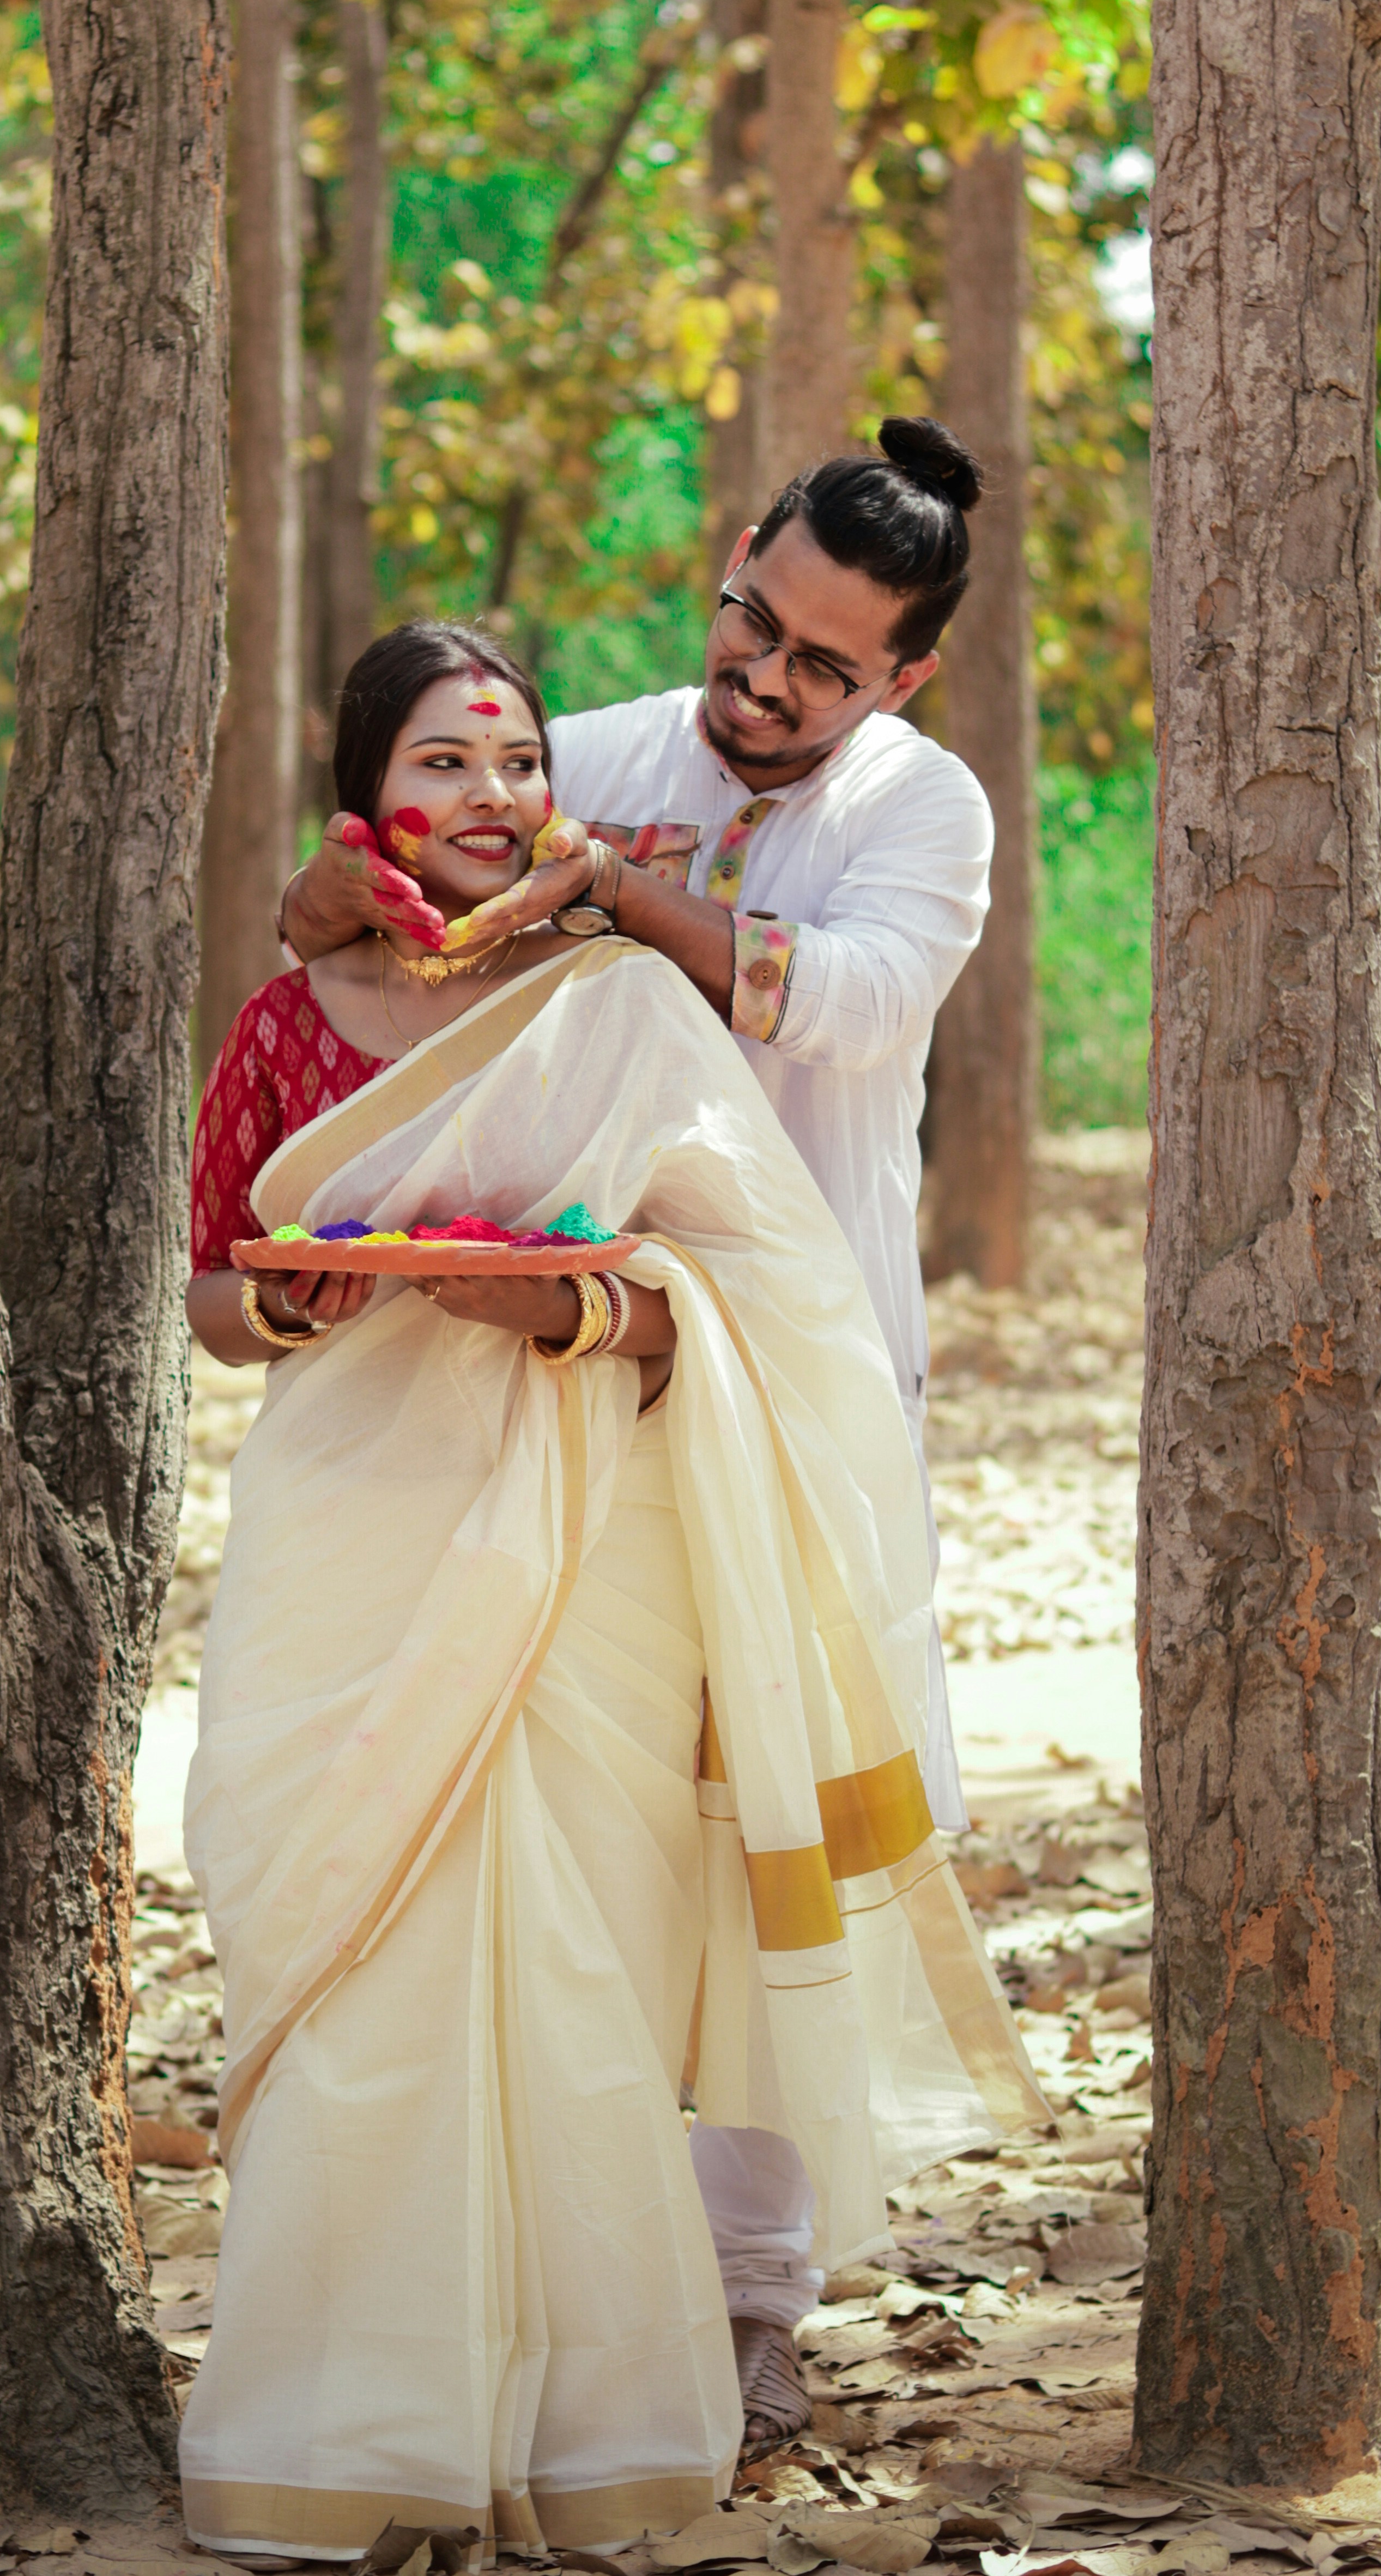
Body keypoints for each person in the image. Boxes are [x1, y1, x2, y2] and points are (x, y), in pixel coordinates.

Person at [180, 619, 1041, 2558]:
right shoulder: (287, 1015)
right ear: (365, 798)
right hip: (352, 1536)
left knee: (567, 1966)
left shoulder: (631, 1007)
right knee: (358, 1980)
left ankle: (587, 2424)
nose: (487, 798)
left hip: (582, 1560)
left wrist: (575, 1302)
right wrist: (294, 1301)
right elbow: (216, 1288)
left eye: (515, 763)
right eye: (441, 765)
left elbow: (755, 1299)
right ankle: (358, 2433)